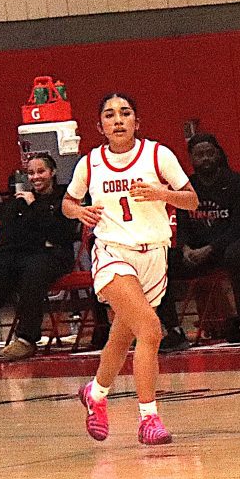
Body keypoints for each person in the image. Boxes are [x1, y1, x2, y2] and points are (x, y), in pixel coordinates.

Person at [63, 93, 199, 444]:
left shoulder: (158, 154)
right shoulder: (90, 163)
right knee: (151, 330)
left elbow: (192, 199)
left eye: (125, 113)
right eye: (110, 114)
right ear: (100, 126)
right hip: (113, 252)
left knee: (123, 335)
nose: (118, 119)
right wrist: (79, 212)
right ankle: (148, 418)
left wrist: (161, 194)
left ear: (137, 122)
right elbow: (67, 202)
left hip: (154, 254)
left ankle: (96, 393)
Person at [156, 133, 240, 351]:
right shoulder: (187, 188)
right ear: (191, 159)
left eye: (209, 153)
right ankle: (174, 331)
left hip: (234, 244)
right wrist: (184, 247)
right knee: (159, 260)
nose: (205, 159)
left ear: (218, 154)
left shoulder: (238, 183)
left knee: (238, 255)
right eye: (199, 155)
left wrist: (210, 249)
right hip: (199, 251)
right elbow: (183, 224)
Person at [0, 153, 79, 361]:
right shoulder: (18, 201)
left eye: (41, 171)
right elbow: (5, 233)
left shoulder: (63, 200)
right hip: (23, 253)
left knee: (33, 270)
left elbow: (62, 234)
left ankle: (26, 339)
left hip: (54, 256)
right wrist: (37, 231)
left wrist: (35, 209)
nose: (35, 177)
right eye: (31, 173)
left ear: (52, 172)